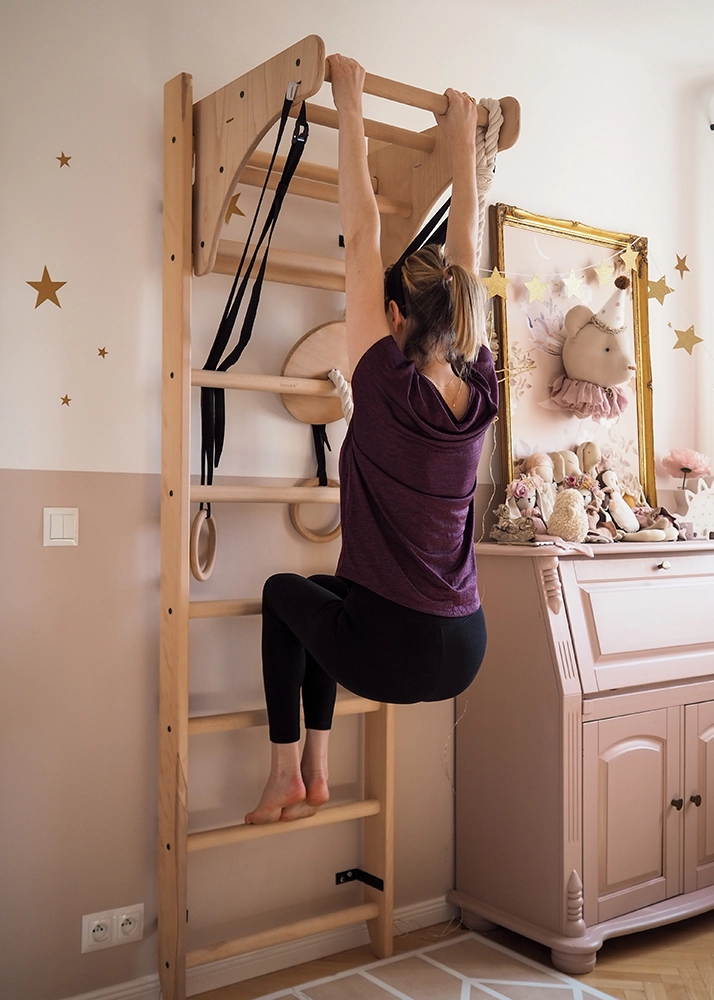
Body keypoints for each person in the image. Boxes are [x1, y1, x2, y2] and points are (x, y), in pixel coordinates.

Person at [245, 55, 498, 825]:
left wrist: (347, 100)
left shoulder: (383, 380)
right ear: (453, 320)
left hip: (395, 648)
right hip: (464, 643)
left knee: (280, 596)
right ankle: (317, 773)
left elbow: (363, 232)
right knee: (326, 598)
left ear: (394, 320)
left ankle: (285, 771)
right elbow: (465, 255)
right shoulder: (481, 389)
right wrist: (462, 141)